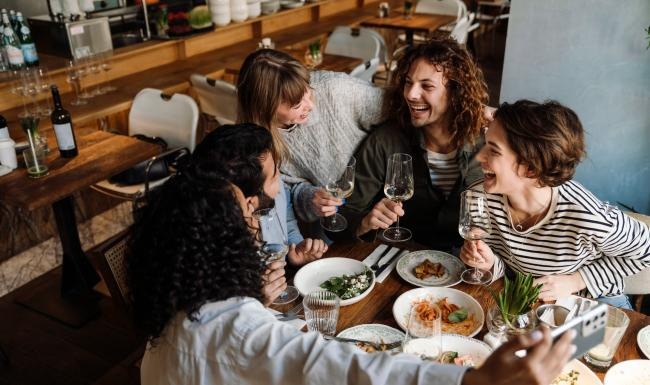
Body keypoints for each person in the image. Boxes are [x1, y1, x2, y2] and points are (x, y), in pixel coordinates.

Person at [126, 136, 576, 385]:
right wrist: (475, 384)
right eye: (248, 213)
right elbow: (346, 370)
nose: (257, 218)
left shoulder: (169, 318)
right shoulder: (239, 332)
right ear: (223, 243)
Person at [459, 100, 650, 308]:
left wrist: (574, 281)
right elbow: (506, 265)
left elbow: (646, 252)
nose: (479, 157)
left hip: (595, 302)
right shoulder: (479, 198)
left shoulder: (585, 214)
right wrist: (489, 263)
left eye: (493, 151)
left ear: (531, 167)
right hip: (532, 301)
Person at [329, 37, 489, 250]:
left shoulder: (488, 143)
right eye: (408, 82)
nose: (411, 95)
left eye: (427, 86)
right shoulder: (386, 141)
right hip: (402, 258)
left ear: (455, 93)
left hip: (471, 263)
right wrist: (365, 222)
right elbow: (343, 216)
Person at [236, 49, 386, 228]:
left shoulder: (334, 88)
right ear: (264, 109)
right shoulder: (257, 144)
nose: (311, 105)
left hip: (382, 188)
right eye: (297, 104)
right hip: (338, 218)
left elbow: (396, 107)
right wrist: (310, 198)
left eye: (308, 90)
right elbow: (289, 194)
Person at [191, 124, 327, 304]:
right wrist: (255, 302)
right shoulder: (207, 248)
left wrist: (296, 250)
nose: (281, 177)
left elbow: (287, 225)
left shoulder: (277, 196)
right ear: (249, 202)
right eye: (274, 175)